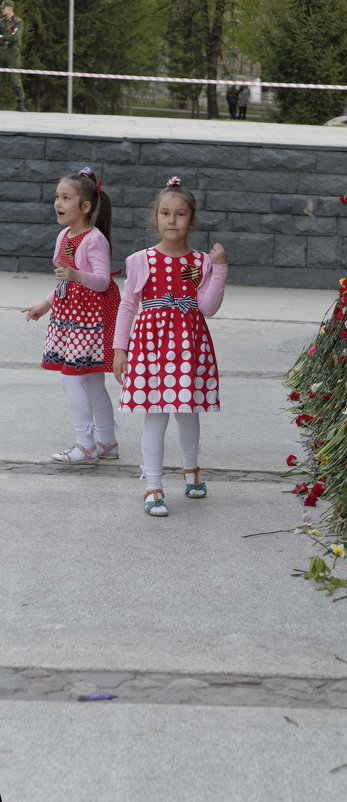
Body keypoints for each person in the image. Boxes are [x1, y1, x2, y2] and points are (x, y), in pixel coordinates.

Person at [113, 176, 228, 517]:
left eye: (180, 214)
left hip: (188, 347)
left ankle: (191, 472)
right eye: (165, 213)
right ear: (156, 218)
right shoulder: (141, 261)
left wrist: (219, 270)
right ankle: (153, 486)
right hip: (151, 348)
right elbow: (128, 305)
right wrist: (120, 348)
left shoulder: (199, 263)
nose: (172, 220)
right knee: (156, 416)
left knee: (188, 412)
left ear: (191, 220)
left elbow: (206, 307)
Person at [22, 167, 121, 464]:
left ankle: (85, 443)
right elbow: (66, 283)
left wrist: (78, 274)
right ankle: (107, 443)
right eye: (57, 197)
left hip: (89, 321)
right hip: (71, 318)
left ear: (85, 207)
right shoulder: (64, 235)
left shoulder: (94, 240)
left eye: (66, 198)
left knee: (70, 379)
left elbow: (103, 281)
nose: (58, 203)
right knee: (91, 383)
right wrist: (45, 304)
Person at [0, 0, 26, 111]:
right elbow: (9, 37)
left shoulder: (18, 21)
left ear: (9, 8)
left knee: (15, 79)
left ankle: (20, 103)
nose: (1, 10)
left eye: (3, 8)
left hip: (13, 52)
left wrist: (2, 37)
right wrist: (6, 38)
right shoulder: (1, 22)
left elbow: (15, 37)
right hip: (2, 51)